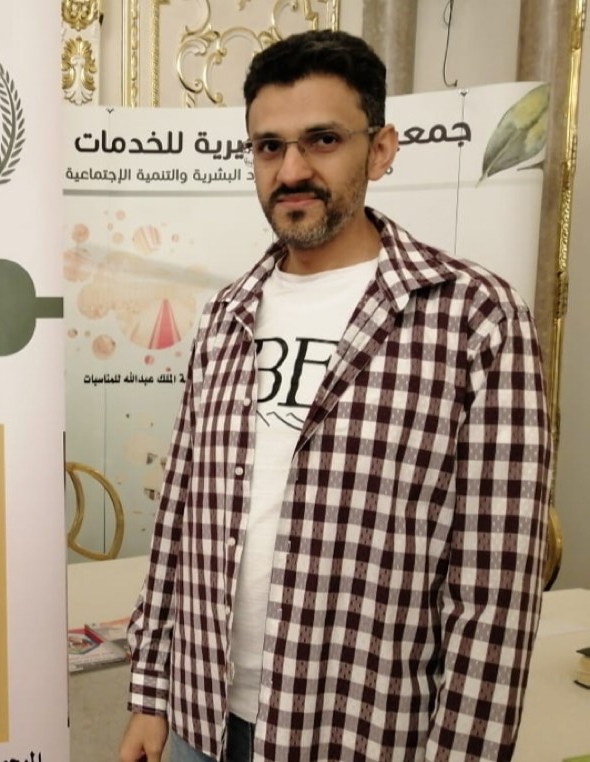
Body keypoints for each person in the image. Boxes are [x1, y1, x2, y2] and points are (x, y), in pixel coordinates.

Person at [118, 29, 551, 762]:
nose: (292, 170)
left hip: (356, 732)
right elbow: (180, 517)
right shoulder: (227, 314)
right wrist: (150, 694)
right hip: (201, 716)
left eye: (322, 140)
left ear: (380, 150)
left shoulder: (474, 316)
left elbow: (495, 588)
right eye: (269, 146)